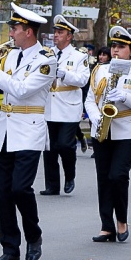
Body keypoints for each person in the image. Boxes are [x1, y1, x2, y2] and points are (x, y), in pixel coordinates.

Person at [0, 3, 55, 260]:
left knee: (20, 188)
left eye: (15, 28)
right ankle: (10, 248)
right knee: (3, 194)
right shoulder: (10, 56)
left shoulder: (46, 60)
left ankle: (34, 236)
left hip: (29, 130)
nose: (11, 33)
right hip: (5, 131)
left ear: (28, 32)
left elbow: (20, 90)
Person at [85, 26, 131, 242]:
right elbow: (90, 100)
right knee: (104, 178)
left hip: (128, 130)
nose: (115, 50)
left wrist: (125, 97)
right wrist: (96, 117)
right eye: (113, 45)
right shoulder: (100, 70)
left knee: (118, 176)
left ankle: (122, 220)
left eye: (121, 46)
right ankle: (107, 226)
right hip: (102, 129)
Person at [41, 15, 90, 195]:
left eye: (60, 32)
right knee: (49, 147)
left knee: (64, 144)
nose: (56, 35)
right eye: (55, 32)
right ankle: (52, 185)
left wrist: (64, 74)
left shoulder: (79, 56)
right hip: (49, 105)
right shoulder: (47, 54)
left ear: (69, 36)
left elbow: (83, 80)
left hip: (68, 106)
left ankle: (70, 176)